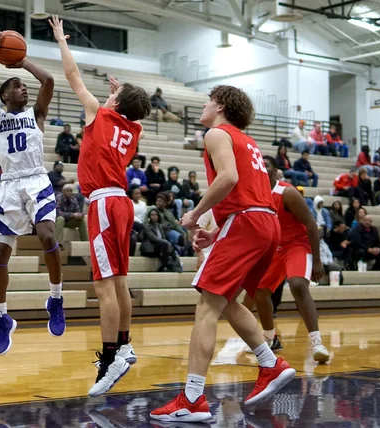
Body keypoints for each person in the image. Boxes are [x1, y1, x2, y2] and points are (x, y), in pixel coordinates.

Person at [150, 85, 295, 423]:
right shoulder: (249, 141)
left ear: (220, 106)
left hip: (247, 222)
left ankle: (192, 398)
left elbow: (228, 179)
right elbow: (252, 195)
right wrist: (215, 232)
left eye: (207, 99)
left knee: (206, 306)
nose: (203, 104)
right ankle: (270, 363)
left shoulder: (216, 133)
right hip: (264, 223)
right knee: (228, 301)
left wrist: (194, 214)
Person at [51, 15, 152, 396]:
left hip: (105, 204)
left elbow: (72, 74)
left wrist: (62, 39)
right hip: (123, 203)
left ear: (113, 102)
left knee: (104, 287)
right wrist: (121, 93)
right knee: (121, 281)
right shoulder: (134, 127)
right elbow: (132, 107)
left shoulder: (100, 113)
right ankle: (124, 344)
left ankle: (110, 358)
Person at [0, 32, 65, 356]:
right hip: (9, 186)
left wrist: (23, 62)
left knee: (47, 235)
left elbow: (48, 80)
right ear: (5, 95)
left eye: (23, 85)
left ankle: (55, 299)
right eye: (17, 85)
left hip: (36, 180)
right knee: (0, 256)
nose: (24, 88)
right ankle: (1, 317)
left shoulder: (37, 114)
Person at [242, 156, 329, 360]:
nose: (263, 168)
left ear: (275, 171)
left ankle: (318, 343)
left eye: (267, 165)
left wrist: (317, 261)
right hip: (273, 248)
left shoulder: (287, 192)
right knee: (260, 292)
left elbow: (310, 225)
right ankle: (271, 339)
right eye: (260, 165)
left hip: (297, 244)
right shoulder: (254, 194)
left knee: (298, 285)